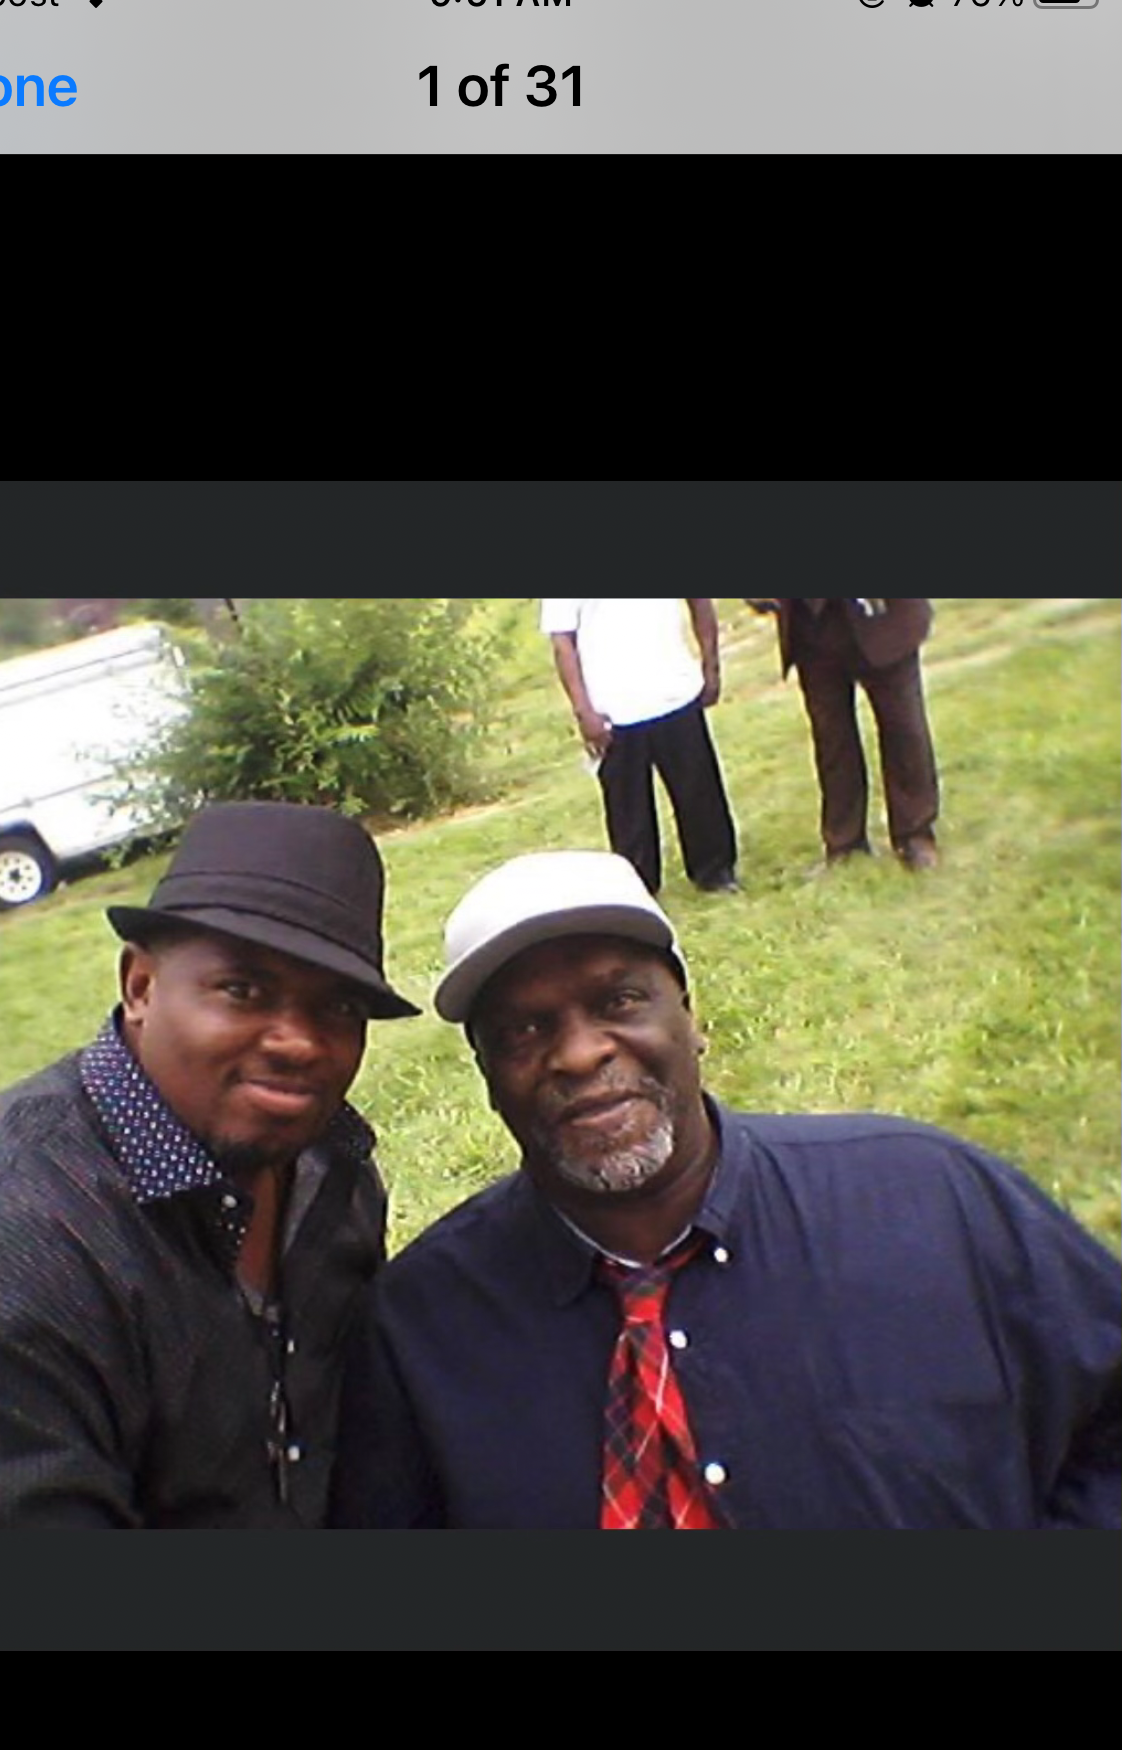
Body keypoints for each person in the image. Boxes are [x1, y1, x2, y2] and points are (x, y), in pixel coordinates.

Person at [328, 850, 1121, 1530]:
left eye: (617, 1001)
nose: (579, 1054)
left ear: (690, 1017)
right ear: (488, 1076)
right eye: (524, 1031)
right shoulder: (422, 1327)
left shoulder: (930, 1202)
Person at [0, 802, 419, 1527]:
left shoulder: (331, 1170)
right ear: (139, 985)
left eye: (339, 1007)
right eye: (244, 990)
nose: (297, 1042)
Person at [540, 597, 740, 895]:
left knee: (700, 793)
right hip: (612, 711)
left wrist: (711, 666)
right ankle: (638, 885)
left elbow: (700, 603)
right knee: (628, 812)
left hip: (675, 694)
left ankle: (715, 872)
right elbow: (562, 642)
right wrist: (584, 711)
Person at [744, 598, 940, 869]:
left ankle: (914, 833)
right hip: (809, 625)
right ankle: (844, 843)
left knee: (904, 728)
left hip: (882, 618)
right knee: (831, 740)